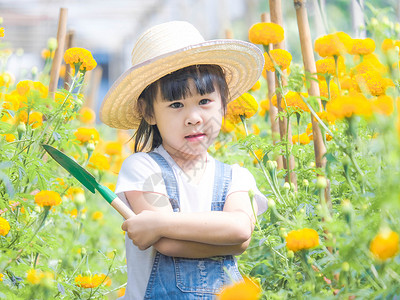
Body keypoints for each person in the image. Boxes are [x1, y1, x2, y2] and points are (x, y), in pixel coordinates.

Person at [100, 21, 267, 300]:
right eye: (176, 105)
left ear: (223, 103)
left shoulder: (237, 177)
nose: (194, 117)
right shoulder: (144, 168)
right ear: (148, 112)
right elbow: (167, 244)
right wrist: (231, 244)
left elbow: (239, 229)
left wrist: (161, 223)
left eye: (204, 101)